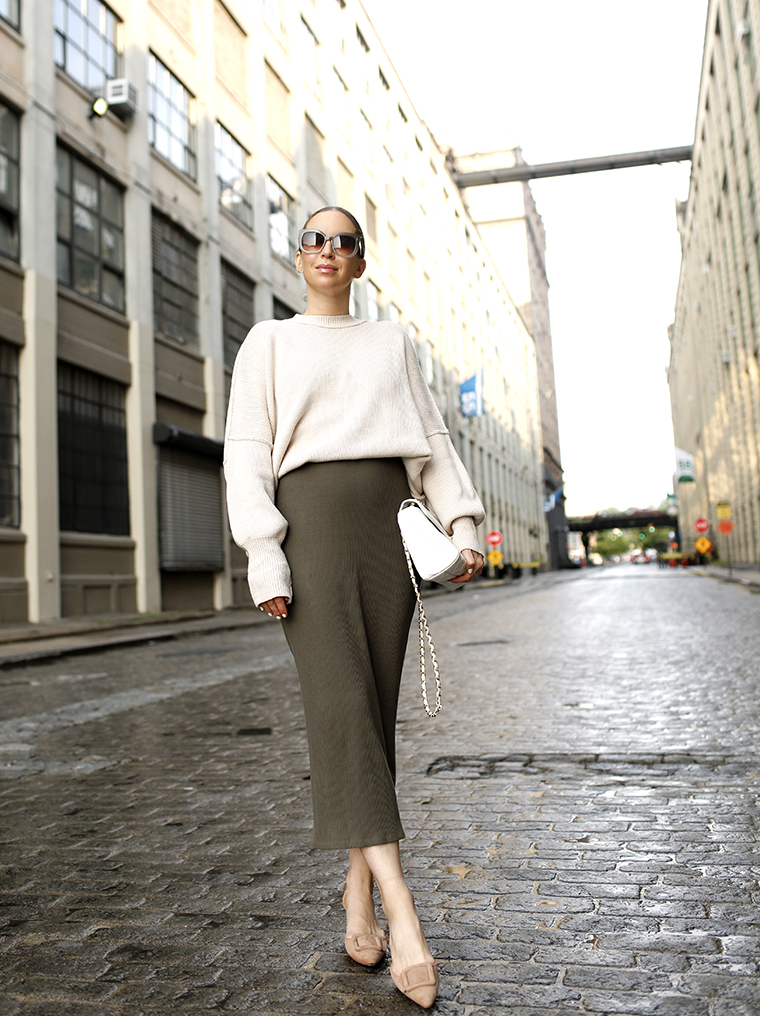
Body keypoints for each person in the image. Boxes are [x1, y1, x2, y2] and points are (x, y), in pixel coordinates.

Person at [224, 206, 485, 1008]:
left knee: (368, 716)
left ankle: (355, 896)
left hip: (385, 532)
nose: (328, 250)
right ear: (296, 256)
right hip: (311, 532)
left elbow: (432, 440)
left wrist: (464, 524)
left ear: (361, 262)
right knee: (342, 711)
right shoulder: (267, 341)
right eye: (314, 239)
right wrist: (264, 552)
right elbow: (244, 451)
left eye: (344, 241)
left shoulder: (391, 341)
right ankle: (404, 916)